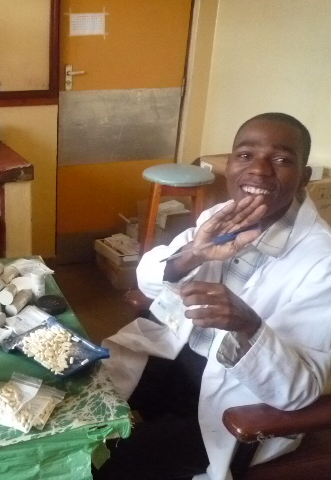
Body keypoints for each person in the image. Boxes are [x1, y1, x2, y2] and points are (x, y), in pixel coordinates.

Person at [97, 113, 331, 480]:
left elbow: (298, 391)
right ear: (229, 166)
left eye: (281, 159)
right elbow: (149, 282)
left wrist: (248, 325)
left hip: (233, 406)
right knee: (76, 409)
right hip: (173, 360)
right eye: (245, 155)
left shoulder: (322, 261)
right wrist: (193, 254)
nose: (259, 170)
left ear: (303, 177)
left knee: (109, 465)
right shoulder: (221, 216)